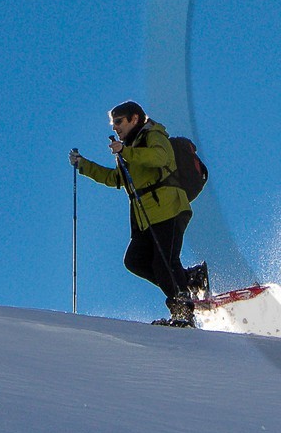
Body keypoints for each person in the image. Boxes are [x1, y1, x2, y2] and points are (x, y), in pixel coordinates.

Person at [71, 101, 206, 326]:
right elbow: (116, 179)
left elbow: (159, 158)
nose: (115, 127)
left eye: (119, 121)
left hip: (169, 208)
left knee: (164, 263)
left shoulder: (153, 134)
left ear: (134, 118)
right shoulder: (130, 147)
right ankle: (189, 280)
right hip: (146, 218)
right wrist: (84, 165)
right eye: (113, 123)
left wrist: (126, 151)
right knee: (135, 261)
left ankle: (183, 313)